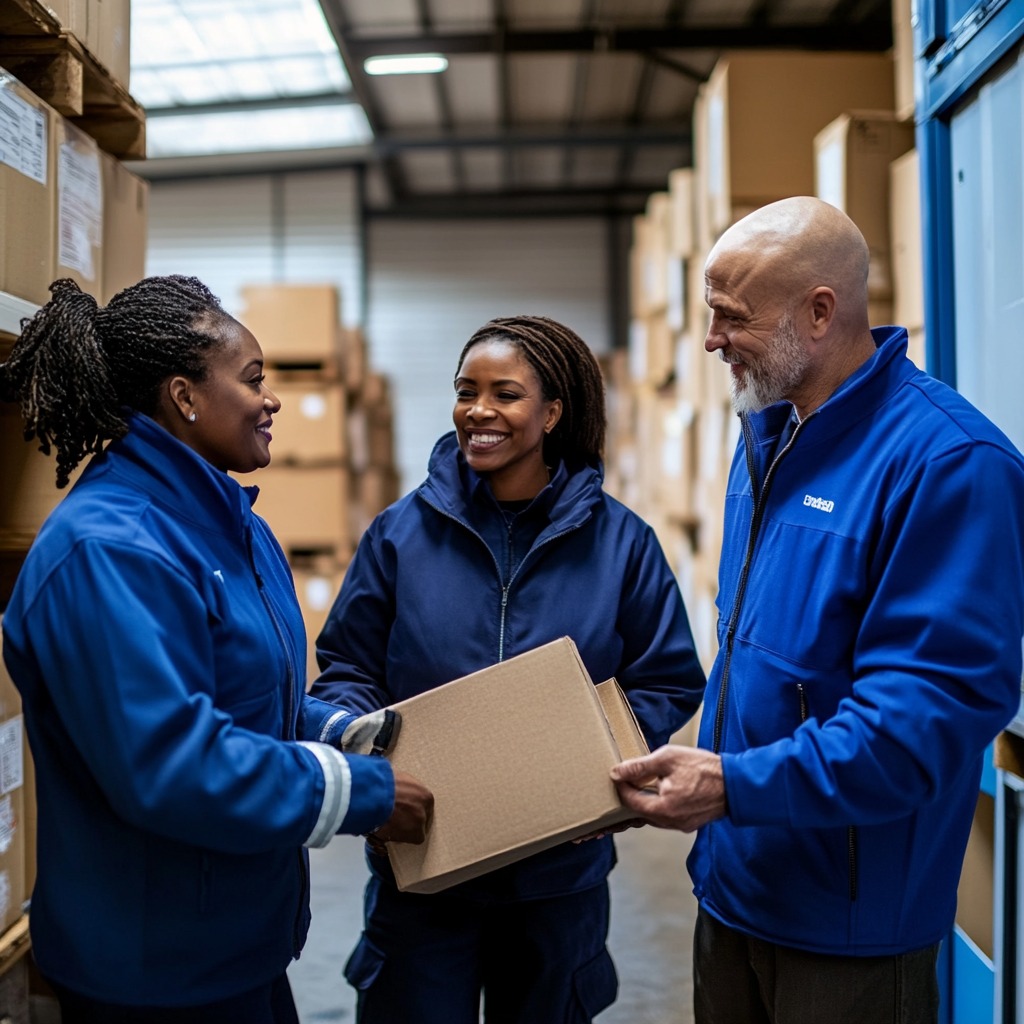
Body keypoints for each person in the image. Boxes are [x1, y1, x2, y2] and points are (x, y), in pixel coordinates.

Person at [611, 196, 1024, 1024]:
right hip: (734, 891)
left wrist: (733, 786)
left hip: (849, 931)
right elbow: (759, 658)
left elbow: (919, 728)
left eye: (732, 318)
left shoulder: (949, 465)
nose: (710, 341)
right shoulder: (765, 434)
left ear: (820, 312)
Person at [0, 276, 434, 1024]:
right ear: (185, 396)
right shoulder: (110, 550)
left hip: (240, 939)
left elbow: (246, 690)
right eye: (254, 380)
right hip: (153, 968)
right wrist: (361, 795)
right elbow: (171, 762)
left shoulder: (231, 525)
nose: (272, 400)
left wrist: (343, 732)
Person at [309, 313, 707, 1024]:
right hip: (422, 873)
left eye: (506, 393)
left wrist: (599, 766)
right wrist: (366, 750)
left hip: (558, 880)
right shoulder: (399, 535)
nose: (479, 411)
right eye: (467, 391)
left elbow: (668, 676)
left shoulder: (622, 544)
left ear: (553, 412)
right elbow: (346, 665)